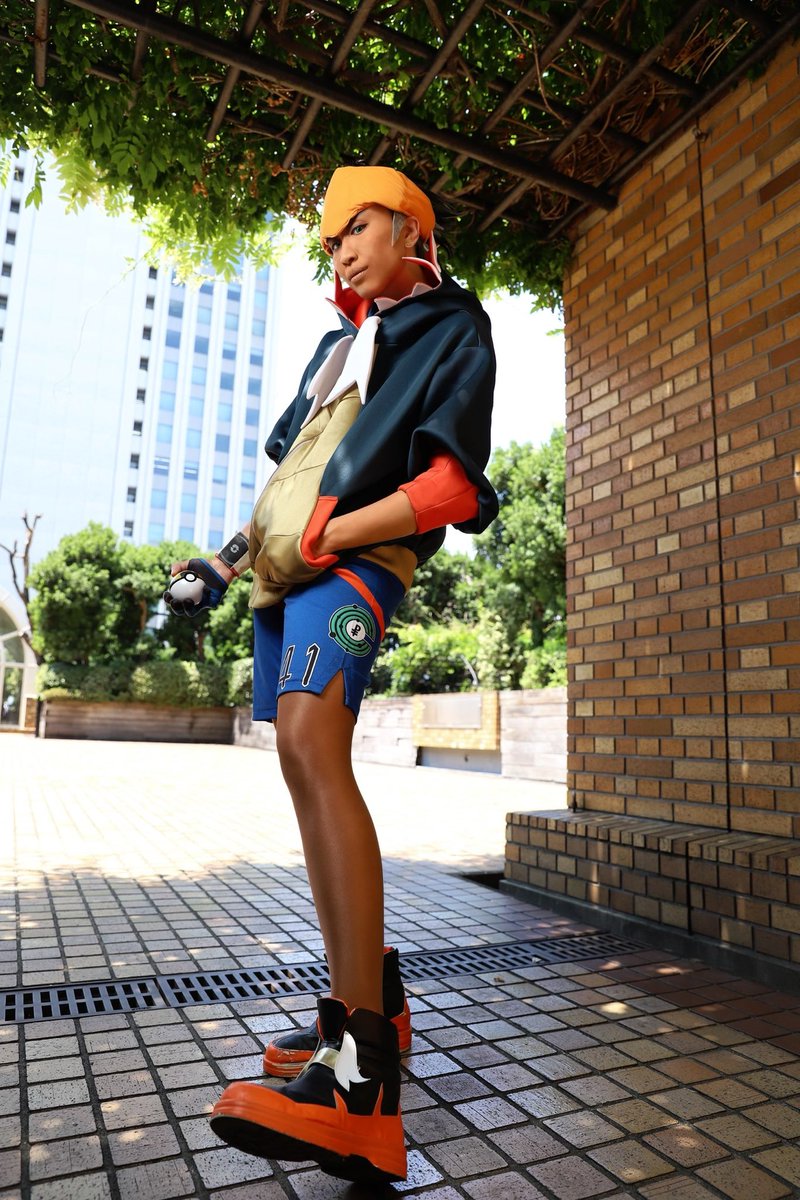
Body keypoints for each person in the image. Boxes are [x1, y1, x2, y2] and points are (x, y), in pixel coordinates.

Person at [165, 165, 498, 1185]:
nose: (342, 250)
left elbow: (450, 486)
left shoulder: (452, 325)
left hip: (348, 564)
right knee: (300, 765)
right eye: (331, 240)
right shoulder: (336, 347)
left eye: (358, 227)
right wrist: (224, 561)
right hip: (280, 575)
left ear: (411, 227)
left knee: (318, 749)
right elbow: (289, 474)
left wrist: (335, 535)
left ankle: (362, 1081)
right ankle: (362, 1008)